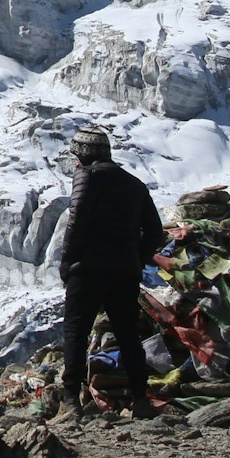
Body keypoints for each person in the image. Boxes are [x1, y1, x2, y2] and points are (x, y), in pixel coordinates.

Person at [58, 125, 165, 408]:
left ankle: (71, 400)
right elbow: (156, 232)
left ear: (82, 156)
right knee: (127, 332)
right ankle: (141, 398)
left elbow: (76, 222)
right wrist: (135, 259)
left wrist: (67, 262)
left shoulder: (86, 176)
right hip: (123, 272)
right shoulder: (134, 184)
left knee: (76, 331)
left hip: (87, 269)